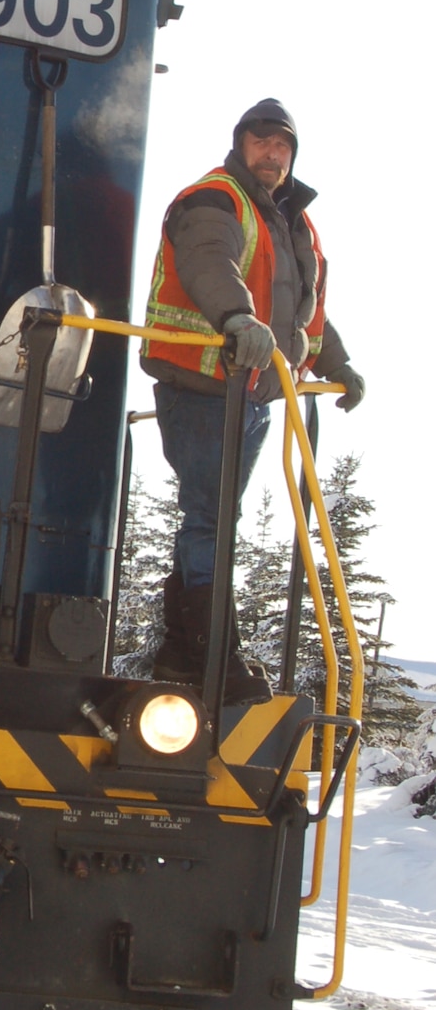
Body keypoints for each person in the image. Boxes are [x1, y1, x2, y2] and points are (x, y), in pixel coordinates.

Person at [141, 99, 364, 703]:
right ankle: (212, 655)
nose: (271, 152)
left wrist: (335, 362)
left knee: (214, 517)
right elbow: (209, 265)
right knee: (211, 517)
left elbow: (300, 307)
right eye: (260, 141)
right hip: (203, 382)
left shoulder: (290, 221)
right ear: (240, 145)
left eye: (282, 145)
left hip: (252, 391)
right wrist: (237, 318)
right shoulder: (215, 199)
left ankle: (184, 651)